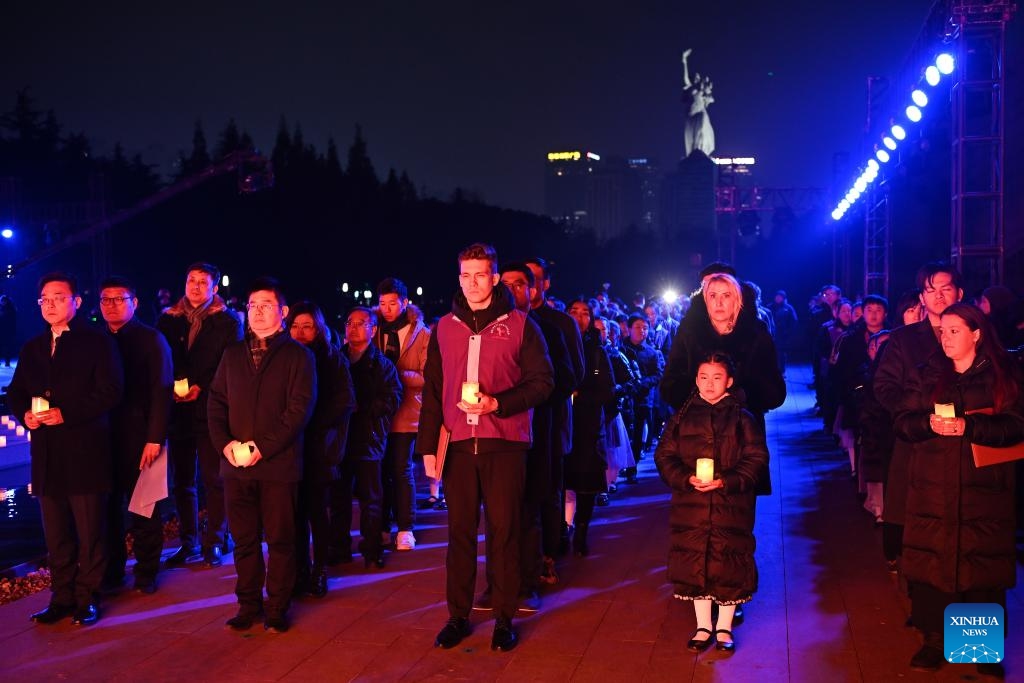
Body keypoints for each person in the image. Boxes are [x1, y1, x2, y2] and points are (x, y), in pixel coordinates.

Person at [419, 243, 553, 653]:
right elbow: (434, 390)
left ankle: (504, 617)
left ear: (494, 278)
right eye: (465, 275)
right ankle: (457, 615)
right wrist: (428, 448)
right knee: (458, 533)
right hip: (458, 445)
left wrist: (499, 403)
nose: (473, 283)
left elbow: (543, 382)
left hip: (505, 444)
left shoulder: (521, 325)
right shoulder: (444, 327)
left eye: (480, 275)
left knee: (504, 532)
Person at [893, 303, 1022, 677]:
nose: (946, 338)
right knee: (933, 563)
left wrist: (971, 428)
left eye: (954, 331)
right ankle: (934, 641)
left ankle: (980, 647)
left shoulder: (1004, 375)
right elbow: (902, 423)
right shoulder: (928, 374)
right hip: (932, 486)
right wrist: (928, 424)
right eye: (943, 331)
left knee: (980, 568)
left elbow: (1016, 427)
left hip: (985, 490)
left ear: (976, 333)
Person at [8, 272, 124, 626]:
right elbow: (15, 392)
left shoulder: (97, 343)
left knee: (90, 531)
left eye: (59, 297)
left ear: (76, 302)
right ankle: (61, 597)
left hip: (85, 451)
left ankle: (88, 597)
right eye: (44, 299)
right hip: (46, 455)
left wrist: (67, 414)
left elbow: (112, 391)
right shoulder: (33, 347)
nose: (51, 304)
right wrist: (24, 413)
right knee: (56, 533)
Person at [207, 277, 316, 633]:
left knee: (282, 540)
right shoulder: (232, 354)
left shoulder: (298, 356)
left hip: (277, 466)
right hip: (235, 466)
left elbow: (299, 411)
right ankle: (248, 603)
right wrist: (226, 445)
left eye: (265, 305)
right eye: (252, 305)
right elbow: (216, 403)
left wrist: (261, 448)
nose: (256, 312)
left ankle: (277, 606)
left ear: (282, 312)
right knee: (244, 539)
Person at [654, 352, 767, 655]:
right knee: (694, 564)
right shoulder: (682, 415)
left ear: (729, 381)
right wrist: (684, 478)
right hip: (690, 506)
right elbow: (665, 455)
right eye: (703, 377)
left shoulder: (743, 418)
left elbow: (756, 459)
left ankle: (724, 627)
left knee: (727, 564)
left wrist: (726, 481)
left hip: (730, 507)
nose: (709, 384)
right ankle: (703, 625)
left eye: (717, 378)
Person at [156, 262, 243, 567]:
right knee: (182, 480)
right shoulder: (168, 321)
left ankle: (217, 539)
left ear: (214, 288)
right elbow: (161, 361)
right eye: (190, 280)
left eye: (202, 282)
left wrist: (202, 387)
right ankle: (188, 540)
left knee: (214, 478)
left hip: (211, 409)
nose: (195, 286)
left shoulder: (228, 322)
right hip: (178, 411)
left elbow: (232, 364)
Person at [98, 276, 174, 595]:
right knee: (107, 508)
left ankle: (146, 571)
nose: (112, 305)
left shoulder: (151, 339)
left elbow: (162, 391)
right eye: (106, 299)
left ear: (135, 302)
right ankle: (112, 571)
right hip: (102, 438)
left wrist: (155, 437)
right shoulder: (95, 340)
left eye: (120, 298)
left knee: (144, 507)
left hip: (142, 436)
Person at [287, 301, 355, 597]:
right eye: (295, 326)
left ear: (318, 328)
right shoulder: (284, 357)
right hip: (290, 447)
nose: (300, 332)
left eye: (307, 326)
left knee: (317, 511)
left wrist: (312, 420)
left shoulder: (331, 359)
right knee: (294, 512)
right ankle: (300, 569)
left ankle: (319, 569)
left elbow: (345, 401)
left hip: (318, 447)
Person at [331, 307, 402, 569]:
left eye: (361, 323)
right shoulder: (336, 360)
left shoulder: (381, 364)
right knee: (338, 497)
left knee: (371, 498)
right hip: (339, 440)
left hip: (368, 438)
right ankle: (338, 547)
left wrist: (363, 407)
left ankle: (372, 550)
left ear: (373, 330)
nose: (353, 328)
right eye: (349, 322)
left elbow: (393, 398)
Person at [373, 277, 430, 551]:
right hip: (377, 413)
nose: (386, 309)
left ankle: (406, 527)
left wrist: (395, 375)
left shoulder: (421, 333)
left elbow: (428, 375)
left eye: (392, 303)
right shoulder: (373, 330)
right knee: (379, 471)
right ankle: (382, 525)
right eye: (382, 303)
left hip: (407, 412)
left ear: (404, 302)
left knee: (401, 469)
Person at [564, 300, 615, 556]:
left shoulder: (597, 351)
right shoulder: (557, 344)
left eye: (585, 313)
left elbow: (607, 388)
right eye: (574, 312)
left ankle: (581, 531)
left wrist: (579, 396)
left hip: (588, 426)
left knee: (585, 482)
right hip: (561, 424)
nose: (580, 317)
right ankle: (562, 529)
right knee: (561, 480)